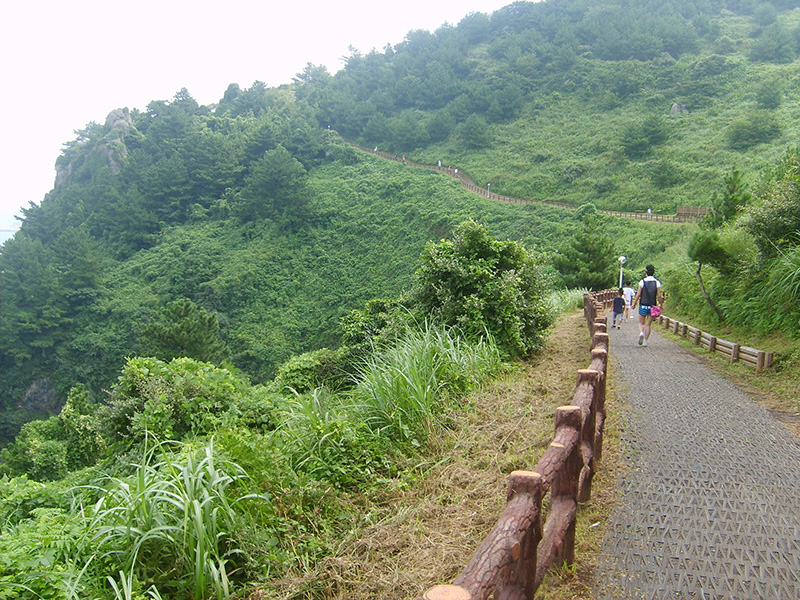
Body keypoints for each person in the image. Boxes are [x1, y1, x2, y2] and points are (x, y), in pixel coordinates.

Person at [632, 264, 663, 347]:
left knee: (641, 323)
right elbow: (659, 296)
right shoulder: (657, 282)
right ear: (654, 272)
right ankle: (645, 341)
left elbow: (638, 294)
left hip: (643, 304)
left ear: (645, 272)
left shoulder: (642, 282)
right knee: (648, 324)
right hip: (652, 306)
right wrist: (660, 305)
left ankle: (641, 332)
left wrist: (634, 304)